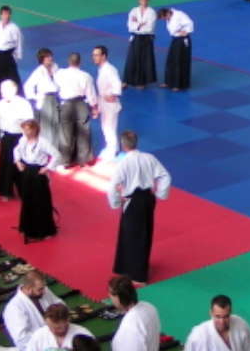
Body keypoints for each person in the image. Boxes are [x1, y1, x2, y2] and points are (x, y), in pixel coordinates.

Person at [109, 131, 171, 284]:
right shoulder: (149, 158)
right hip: (147, 199)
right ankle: (128, 268)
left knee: (132, 236)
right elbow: (165, 176)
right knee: (144, 233)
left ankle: (137, 275)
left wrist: (117, 202)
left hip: (133, 201)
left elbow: (112, 187)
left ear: (123, 145)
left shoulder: (123, 163)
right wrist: (159, 194)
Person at [14, 119, 59, 243]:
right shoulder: (23, 140)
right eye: (24, 129)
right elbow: (16, 150)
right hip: (27, 171)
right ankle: (28, 228)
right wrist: (18, 162)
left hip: (39, 173)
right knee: (27, 200)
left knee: (41, 201)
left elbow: (56, 155)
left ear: (35, 130)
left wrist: (47, 168)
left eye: (28, 129)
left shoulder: (43, 142)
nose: (26, 132)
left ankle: (46, 230)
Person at [0, 79, 34, 200]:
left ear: (14, 90)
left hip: (21, 137)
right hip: (8, 138)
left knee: (24, 164)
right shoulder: (0, 104)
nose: (2, 92)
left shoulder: (24, 103)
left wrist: (30, 137)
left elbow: (30, 121)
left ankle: (25, 190)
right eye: (1, 90)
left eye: (5, 90)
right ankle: (6, 191)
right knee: (6, 165)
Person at [53, 52, 97, 167]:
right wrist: (94, 107)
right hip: (81, 104)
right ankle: (83, 160)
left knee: (65, 133)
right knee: (83, 132)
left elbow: (55, 87)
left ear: (69, 61)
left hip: (65, 104)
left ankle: (65, 161)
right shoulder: (86, 76)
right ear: (80, 62)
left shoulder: (60, 74)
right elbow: (91, 94)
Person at [2, 270, 66, 349]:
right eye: (40, 289)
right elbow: (22, 339)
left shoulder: (43, 289)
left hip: (58, 337)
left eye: (44, 287)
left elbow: (58, 303)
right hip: (38, 349)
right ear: (29, 289)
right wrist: (49, 337)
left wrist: (59, 313)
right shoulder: (14, 308)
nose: (44, 291)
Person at [23, 48, 61, 151]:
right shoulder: (39, 71)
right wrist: (35, 98)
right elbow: (28, 86)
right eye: (47, 57)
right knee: (47, 126)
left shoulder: (55, 67)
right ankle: (47, 150)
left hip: (56, 97)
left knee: (58, 124)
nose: (50, 58)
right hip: (45, 99)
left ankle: (57, 147)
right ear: (42, 59)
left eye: (50, 56)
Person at [93, 46, 122, 161]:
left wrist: (113, 95)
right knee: (106, 127)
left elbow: (117, 84)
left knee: (109, 128)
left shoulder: (110, 69)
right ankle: (111, 148)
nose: (94, 57)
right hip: (104, 102)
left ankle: (112, 150)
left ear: (103, 56)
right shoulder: (102, 69)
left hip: (110, 104)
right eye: (93, 55)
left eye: (97, 55)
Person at [123, 0, 157, 88]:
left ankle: (142, 82)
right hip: (136, 37)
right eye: (142, 0)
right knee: (131, 58)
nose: (143, 2)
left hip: (146, 38)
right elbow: (129, 26)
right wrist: (140, 24)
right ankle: (127, 80)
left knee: (144, 60)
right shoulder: (134, 11)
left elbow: (149, 28)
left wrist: (137, 24)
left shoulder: (151, 12)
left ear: (148, 0)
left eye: (145, 0)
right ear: (139, 0)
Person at [157, 7, 194, 91]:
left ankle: (177, 85)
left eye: (164, 18)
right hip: (175, 39)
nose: (164, 20)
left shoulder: (179, 14)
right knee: (170, 60)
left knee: (179, 61)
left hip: (182, 40)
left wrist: (186, 31)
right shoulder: (169, 16)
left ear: (167, 13)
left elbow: (190, 23)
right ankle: (168, 82)